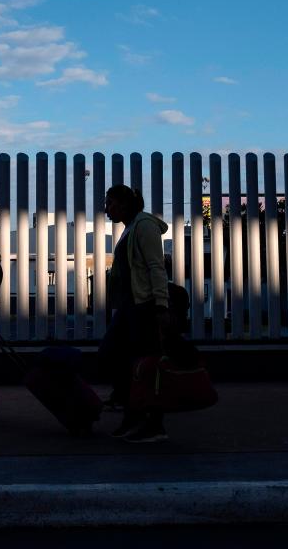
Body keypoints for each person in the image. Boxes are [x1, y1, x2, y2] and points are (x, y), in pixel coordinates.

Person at [100, 184, 172, 443]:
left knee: (143, 365)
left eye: (110, 203)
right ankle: (132, 415)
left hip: (144, 306)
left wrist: (161, 305)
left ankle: (152, 423)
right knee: (115, 356)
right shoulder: (130, 227)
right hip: (130, 306)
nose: (106, 209)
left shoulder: (144, 226)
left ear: (124, 204)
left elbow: (156, 266)